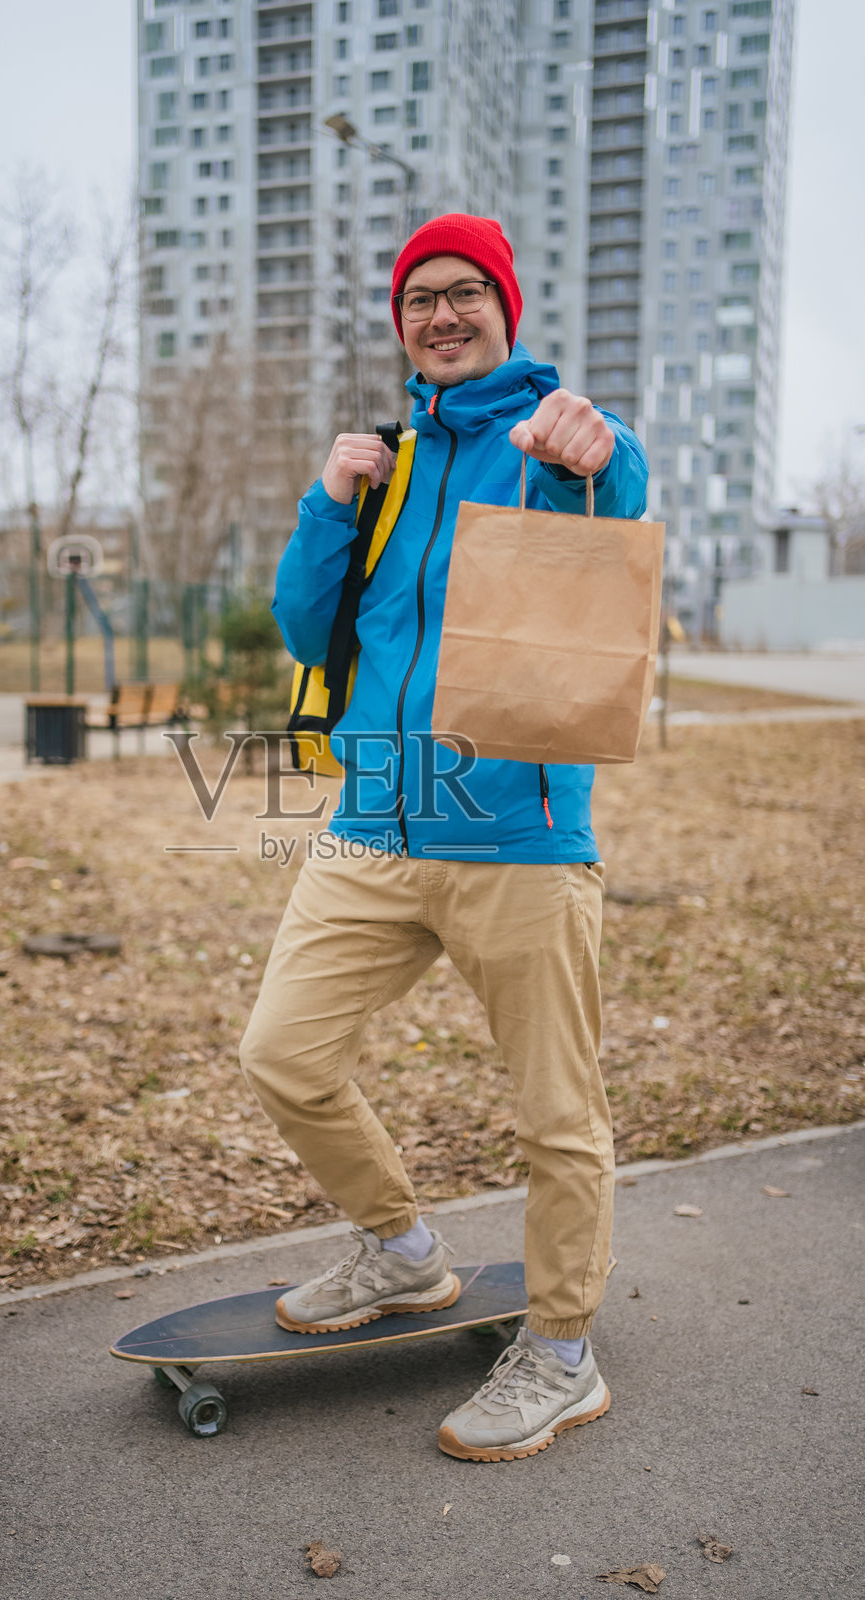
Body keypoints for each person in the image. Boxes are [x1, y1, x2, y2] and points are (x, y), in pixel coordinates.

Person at [239, 214, 648, 1462]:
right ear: (401, 321)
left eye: (468, 293)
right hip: (369, 827)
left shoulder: (554, 443)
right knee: (283, 1056)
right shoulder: (396, 462)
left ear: (506, 309)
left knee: (555, 1117)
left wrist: (603, 444)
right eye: (421, 298)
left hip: (520, 843)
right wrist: (329, 496)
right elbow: (308, 630)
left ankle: (564, 1356)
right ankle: (402, 1253)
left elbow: (617, 488)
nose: (443, 314)